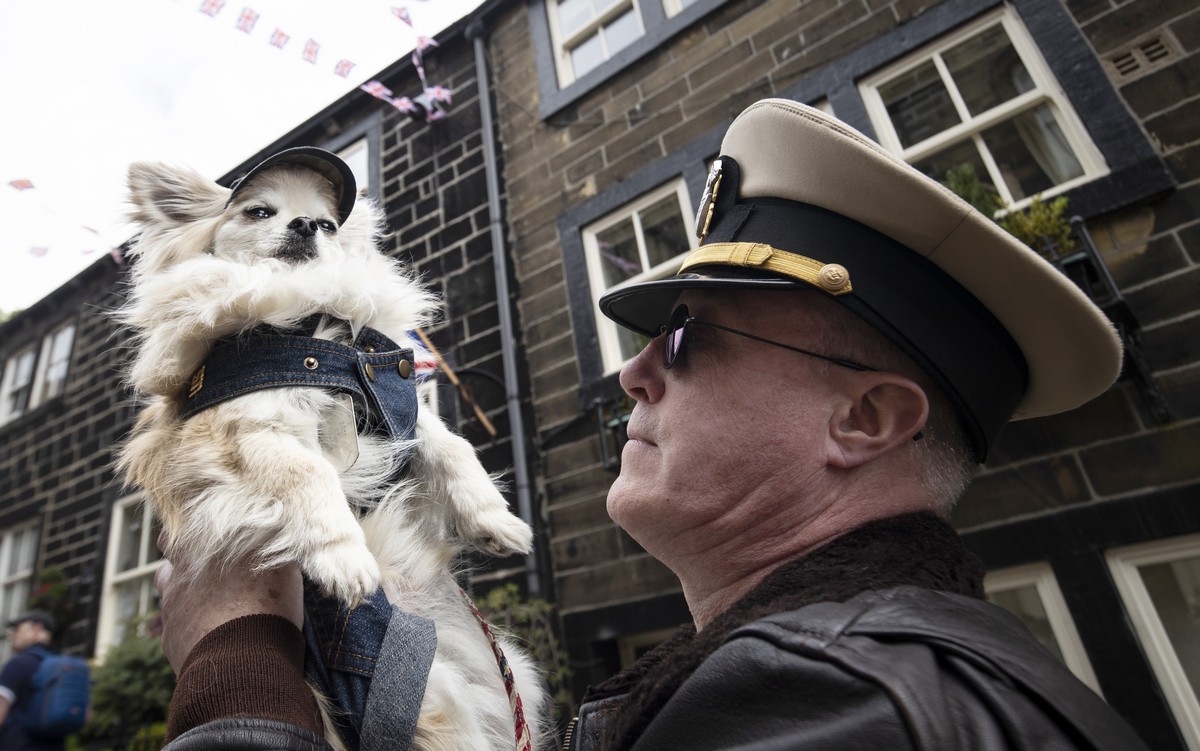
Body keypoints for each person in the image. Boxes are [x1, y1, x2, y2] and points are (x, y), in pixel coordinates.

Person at [153, 98, 1149, 749]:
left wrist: (236, 654)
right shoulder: (838, 670)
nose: (631, 373)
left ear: (867, 416)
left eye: (685, 341)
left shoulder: (834, 701)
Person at [1, 611, 66, 751]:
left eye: (17, 629)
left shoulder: (18, 664)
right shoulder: (65, 667)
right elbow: (85, 715)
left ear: (36, 629)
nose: (12, 636)